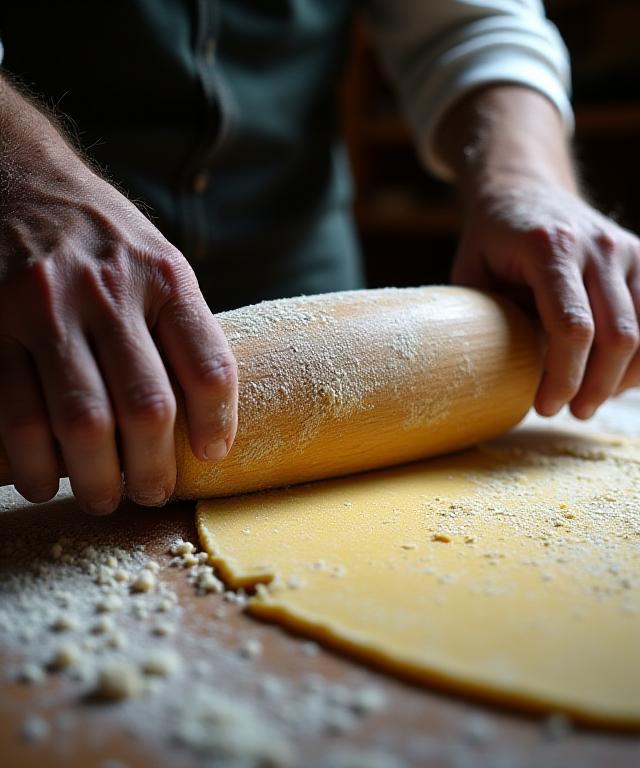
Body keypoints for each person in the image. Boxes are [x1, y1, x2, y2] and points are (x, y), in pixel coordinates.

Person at [0, 1, 638, 515]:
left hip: (318, 300)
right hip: (31, 298)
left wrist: (527, 179)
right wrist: (22, 182)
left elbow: (468, 19)